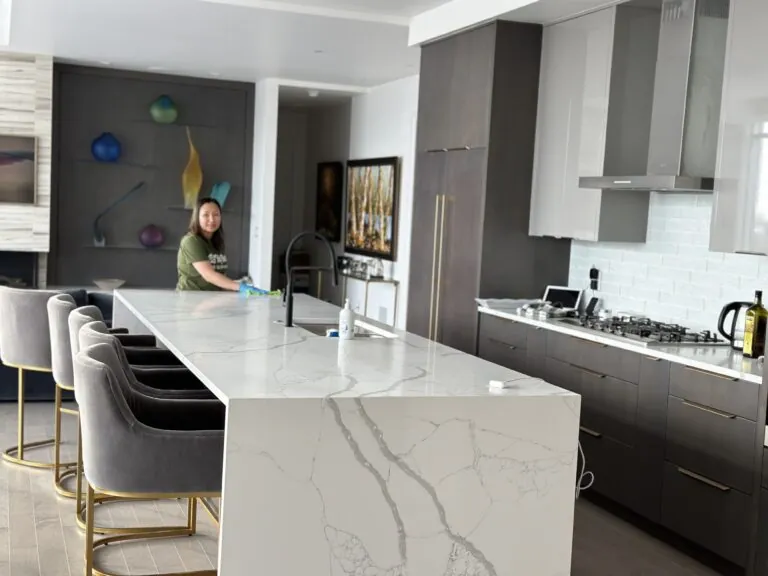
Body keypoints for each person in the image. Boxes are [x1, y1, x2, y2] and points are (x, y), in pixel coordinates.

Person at [177, 197, 257, 293]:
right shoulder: (191, 241)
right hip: (191, 300)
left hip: (211, 299)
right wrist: (239, 287)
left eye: (216, 215)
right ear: (197, 217)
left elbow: (220, 279)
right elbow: (209, 275)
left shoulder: (215, 242)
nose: (211, 219)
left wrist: (246, 291)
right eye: (205, 215)